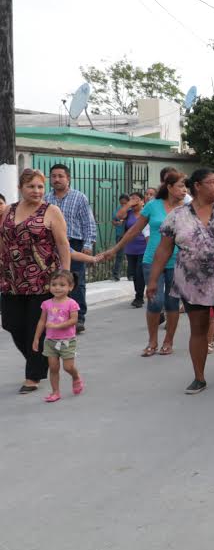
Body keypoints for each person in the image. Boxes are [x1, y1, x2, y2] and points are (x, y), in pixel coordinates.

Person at [147, 169, 214, 394]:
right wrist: (153, 280)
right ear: (197, 186)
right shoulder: (177, 216)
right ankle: (199, 377)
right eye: (212, 182)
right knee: (199, 328)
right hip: (191, 283)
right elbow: (163, 250)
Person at [1, 169, 72, 394]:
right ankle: (40, 361)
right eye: (31, 186)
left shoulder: (51, 211)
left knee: (35, 329)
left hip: (42, 280)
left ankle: (32, 375)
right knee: (11, 323)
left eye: (40, 186)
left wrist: (66, 275)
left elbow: (63, 245)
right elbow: (3, 240)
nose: (37, 191)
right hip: (12, 279)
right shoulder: (9, 210)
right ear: (20, 188)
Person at [102, 171, 186, 357]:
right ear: (169, 187)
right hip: (151, 260)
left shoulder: (187, 207)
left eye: (185, 186)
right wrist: (115, 249)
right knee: (155, 302)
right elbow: (134, 230)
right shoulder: (153, 205)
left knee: (172, 303)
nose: (184, 190)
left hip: (177, 261)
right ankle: (152, 341)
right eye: (181, 186)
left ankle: (168, 341)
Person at [44, 164, 97, 333]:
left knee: (76, 281)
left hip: (74, 244)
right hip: (51, 246)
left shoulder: (79, 197)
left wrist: (87, 244)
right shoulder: (45, 199)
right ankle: (57, 315)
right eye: (53, 176)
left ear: (68, 178)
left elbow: (88, 222)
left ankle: (78, 317)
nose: (57, 179)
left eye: (60, 176)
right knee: (54, 281)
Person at [31, 270, 84, 402]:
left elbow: (73, 320)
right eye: (54, 284)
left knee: (68, 367)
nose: (57, 288)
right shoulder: (46, 304)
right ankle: (55, 392)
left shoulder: (72, 303)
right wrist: (36, 338)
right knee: (53, 368)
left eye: (62, 285)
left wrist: (57, 326)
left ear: (70, 287)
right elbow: (42, 321)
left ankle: (76, 376)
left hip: (67, 341)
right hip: (50, 341)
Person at [116, 192, 147, 307]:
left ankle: (139, 297)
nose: (133, 201)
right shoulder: (128, 213)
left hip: (144, 247)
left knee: (140, 272)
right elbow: (119, 216)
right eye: (131, 199)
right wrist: (128, 204)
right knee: (133, 272)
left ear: (142, 201)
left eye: (136, 199)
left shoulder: (146, 213)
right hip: (131, 248)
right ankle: (138, 293)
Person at [111, 194, 129, 280]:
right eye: (121, 203)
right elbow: (113, 221)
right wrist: (117, 223)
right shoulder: (118, 209)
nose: (123, 205)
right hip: (120, 235)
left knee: (131, 255)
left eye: (125, 203)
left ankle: (131, 274)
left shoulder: (131, 209)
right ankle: (116, 274)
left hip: (130, 235)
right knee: (119, 255)